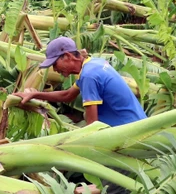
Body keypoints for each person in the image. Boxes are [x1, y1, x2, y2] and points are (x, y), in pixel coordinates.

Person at [13, 36, 146, 127]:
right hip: (138, 123)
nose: (54, 69)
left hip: (128, 131)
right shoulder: (93, 63)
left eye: (55, 63)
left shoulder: (89, 76)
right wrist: (35, 94)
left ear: (68, 56)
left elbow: (92, 126)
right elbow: (67, 95)